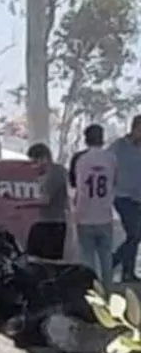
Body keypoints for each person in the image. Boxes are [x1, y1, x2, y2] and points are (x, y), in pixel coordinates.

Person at [73, 124, 117, 292]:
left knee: (88, 259)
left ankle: (92, 293)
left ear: (86, 139)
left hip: (84, 215)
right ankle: (109, 292)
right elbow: (114, 182)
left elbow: (78, 187)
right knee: (106, 257)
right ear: (102, 138)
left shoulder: (81, 160)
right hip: (104, 215)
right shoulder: (111, 159)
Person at [25, 142, 70, 260]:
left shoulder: (55, 173)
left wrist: (22, 204)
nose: (34, 166)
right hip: (44, 222)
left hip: (53, 223)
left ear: (44, 158)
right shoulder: (46, 175)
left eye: (35, 162)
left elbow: (45, 200)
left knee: (48, 261)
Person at [115, 115, 141, 281]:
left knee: (137, 235)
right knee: (134, 232)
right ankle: (126, 272)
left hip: (139, 196)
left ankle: (115, 262)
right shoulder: (119, 146)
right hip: (123, 196)